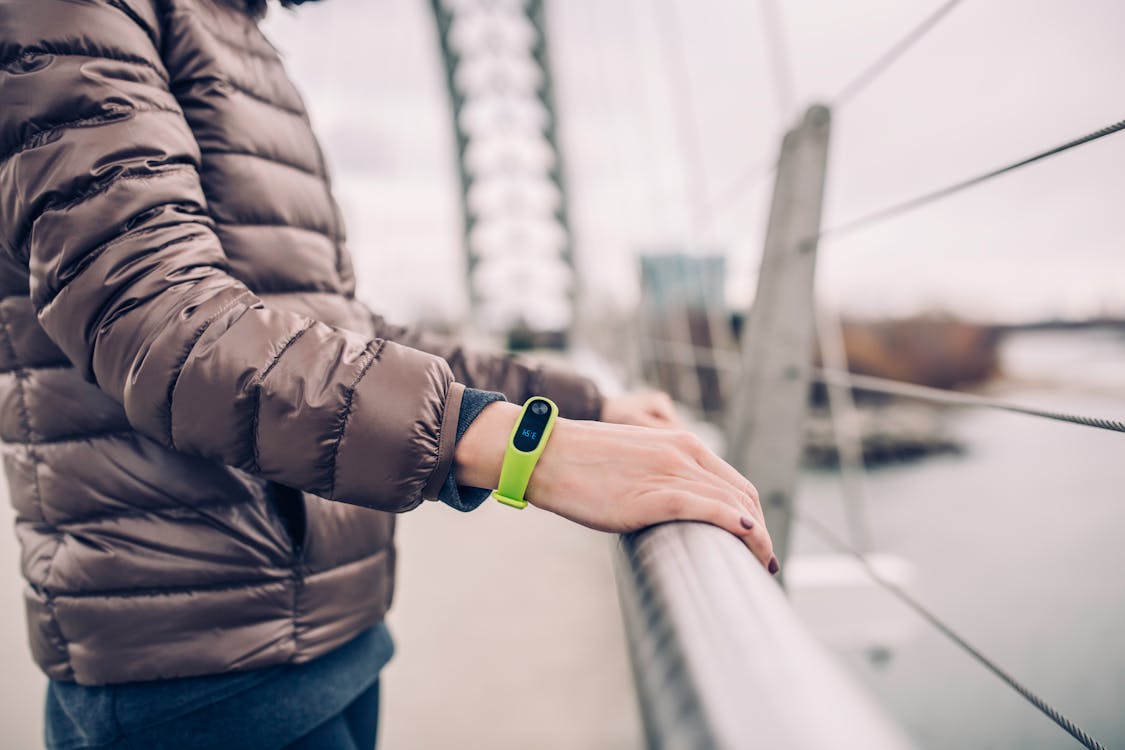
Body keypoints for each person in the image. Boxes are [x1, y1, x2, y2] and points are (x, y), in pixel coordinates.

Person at [0, 0, 776, 747]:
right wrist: (514, 446)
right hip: (194, 671)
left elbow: (340, 328)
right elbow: (158, 320)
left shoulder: (230, 26)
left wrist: (581, 406)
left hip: (324, 630)